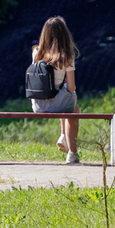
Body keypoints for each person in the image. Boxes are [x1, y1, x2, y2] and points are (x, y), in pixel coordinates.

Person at [30, 15, 80, 164]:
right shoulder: (66, 56)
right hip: (57, 103)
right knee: (72, 105)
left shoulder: (36, 53)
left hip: (37, 105)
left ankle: (63, 135)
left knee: (59, 92)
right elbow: (71, 87)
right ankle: (72, 152)